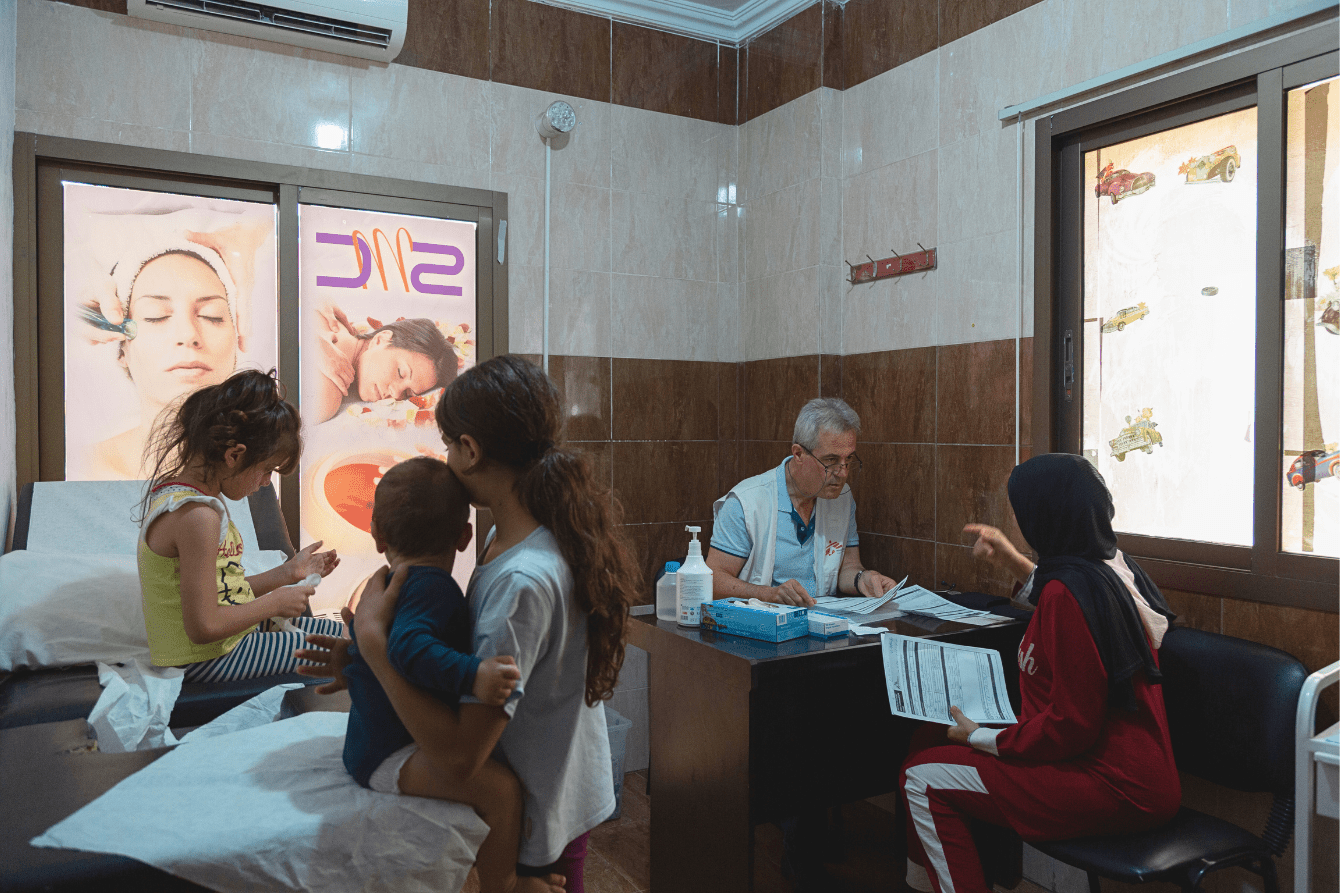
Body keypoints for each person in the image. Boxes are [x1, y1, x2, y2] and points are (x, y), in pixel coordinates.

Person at [297, 355, 639, 891]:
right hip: (554, 784)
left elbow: (459, 760)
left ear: (471, 450)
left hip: (538, 813)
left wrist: (375, 648)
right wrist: (363, 662)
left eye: (448, 445)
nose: (446, 459)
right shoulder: (512, 536)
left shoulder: (522, 577)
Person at [901, 454, 1180, 893]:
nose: (1018, 519)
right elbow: (1063, 597)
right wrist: (1011, 559)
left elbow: (1071, 726)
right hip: (1136, 773)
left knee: (920, 778)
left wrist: (982, 738)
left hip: (1110, 783)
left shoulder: (1071, 594)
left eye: (1021, 511)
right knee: (928, 737)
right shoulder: (1113, 570)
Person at [339, 455, 556, 893]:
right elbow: (405, 647)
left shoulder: (385, 584)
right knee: (501, 792)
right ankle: (504, 884)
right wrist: (472, 674)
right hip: (389, 754)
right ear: (464, 537)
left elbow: (380, 645)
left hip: (374, 744)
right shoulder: (432, 587)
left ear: (376, 534)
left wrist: (347, 659)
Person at [137, 369, 343, 682]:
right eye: (266, 470)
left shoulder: (188, 501)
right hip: (204, 660)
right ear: (234, 455)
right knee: (348, 651)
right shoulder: (197, 517)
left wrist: (289, 574)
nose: (264, 483)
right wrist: (275, 602)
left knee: (344, 633)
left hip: (225, 646)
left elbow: (226, 590)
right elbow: (204, 627)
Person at [707, 397, 899, 606]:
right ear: (798, 453)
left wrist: (863, 579)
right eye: (831, 461)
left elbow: (847, 567)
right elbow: (713, 580)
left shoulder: (842, 497)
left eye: (849, 460)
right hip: (761, 623)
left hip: (822, 621)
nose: (842, 473)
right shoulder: (746, 502)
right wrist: (768, 594)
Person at [82, 244, 243, 479]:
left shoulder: (264, 472)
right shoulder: (83, 470)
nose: (188, 335)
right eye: (156, 316)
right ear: (122, 351)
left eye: (212, 315)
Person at [309, 305, 459, 424]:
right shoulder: (327, 395)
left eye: (407, 393)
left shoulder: (327, 312)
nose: (395, 394)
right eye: (401, 373)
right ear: (380, 339)